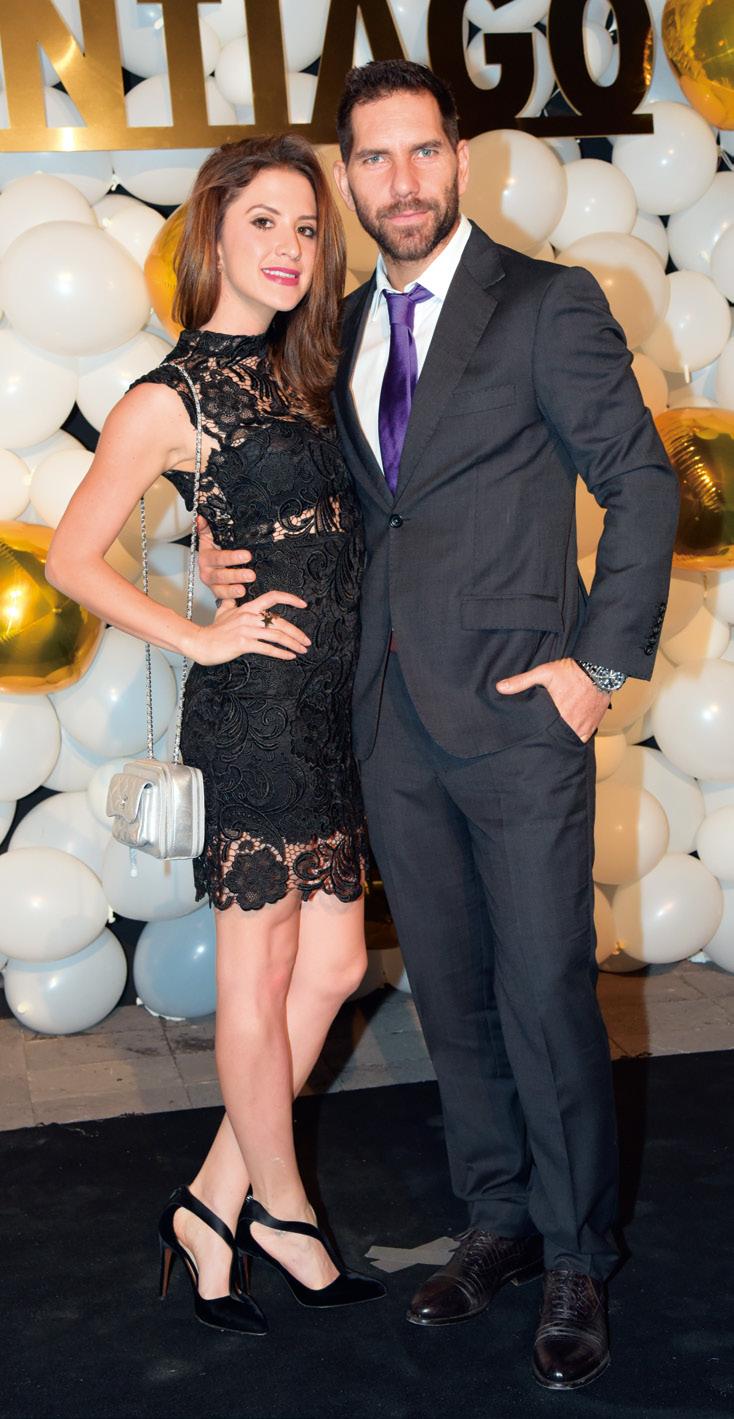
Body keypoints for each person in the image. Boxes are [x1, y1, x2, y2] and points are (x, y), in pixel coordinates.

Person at [198, 61, 680, 1386]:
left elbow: (638, 483)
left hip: (521, 714)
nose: (399, 181)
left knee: (542, 989)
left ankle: (575, 1253)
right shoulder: (336, 327)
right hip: (387, 716)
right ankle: (497, 1217)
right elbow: (322, 497)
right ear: (349, 176)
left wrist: (595, 665)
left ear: (456, 160)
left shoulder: (544, 302)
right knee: (450, 994)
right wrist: (215, 551)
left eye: (421, 153)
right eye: (373, 158)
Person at [46, 133, 386, 1334]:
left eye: (306, 228)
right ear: (214, 235)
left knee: (335, 968)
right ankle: (280, 1211)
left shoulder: (307, 372)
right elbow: (71, 558)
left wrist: (211, 541)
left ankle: (209, 1201)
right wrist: (197, 635)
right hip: (255, 712)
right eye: (263, 223)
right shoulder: (169, 396)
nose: (289, 247)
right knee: (264, 969)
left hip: (328, 706)